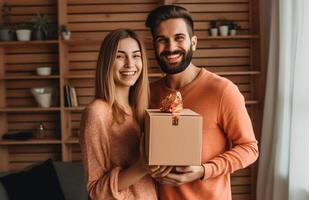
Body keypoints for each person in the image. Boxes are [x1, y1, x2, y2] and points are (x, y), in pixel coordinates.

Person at [145, 5, 259, 200]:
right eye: (162, 40)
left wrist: (204, 170)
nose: (171, 47)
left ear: (194, 42)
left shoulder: (222, 90)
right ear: (154, 46)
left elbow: (249, 148)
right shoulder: (148, 93)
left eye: (179, 38)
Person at [79, 29, 157, 200]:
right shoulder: (97, 112)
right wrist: (142, 167)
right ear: (107, 62)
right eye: (120, 56)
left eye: (136, 56)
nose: (130, 64)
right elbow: (96, 190)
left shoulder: (140, 111)